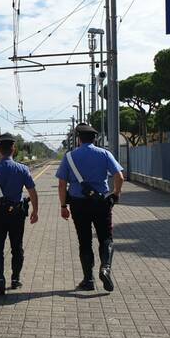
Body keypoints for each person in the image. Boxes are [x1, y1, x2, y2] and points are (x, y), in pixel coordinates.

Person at [56, 124, 124, 292]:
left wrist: (64, 205)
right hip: (101, 203)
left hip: (78, 205)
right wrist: (116, 193)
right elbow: (119, 176)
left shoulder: (69, 157)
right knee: (106, 237)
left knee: (84, 241)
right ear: (95, 139)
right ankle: (105, 268)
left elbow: (61, 184)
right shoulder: (105, 154)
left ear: (79, 139)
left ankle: (88, 280)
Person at [0, 133, 39, 296]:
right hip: (17, 214)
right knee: (16, 247)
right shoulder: (22, 169)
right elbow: (32, 191)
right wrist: (35, 211)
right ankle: (15, 279)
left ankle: (0, 279)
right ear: (14, 149)